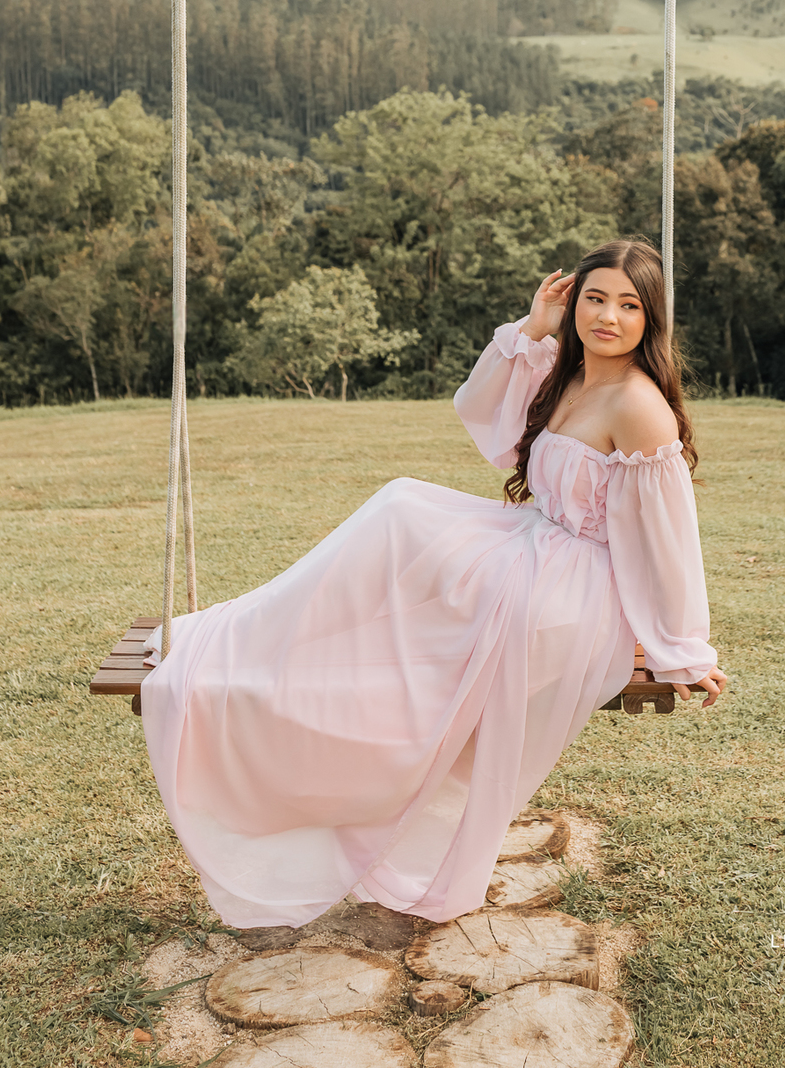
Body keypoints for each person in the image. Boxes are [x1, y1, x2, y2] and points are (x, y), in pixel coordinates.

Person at [139, 235, 725, 930]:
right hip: (533, 544)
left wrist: (684, 649)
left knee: (410, 538)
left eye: (628, 306)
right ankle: (272, 653)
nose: (607, 317)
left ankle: (345, 750)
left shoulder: (639, 407)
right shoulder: (568, 377)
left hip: (578, 589)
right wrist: (533, 327)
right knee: (401, 508)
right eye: (594, 299)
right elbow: (480, 409)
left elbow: (666, 543)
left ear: (650, 319)